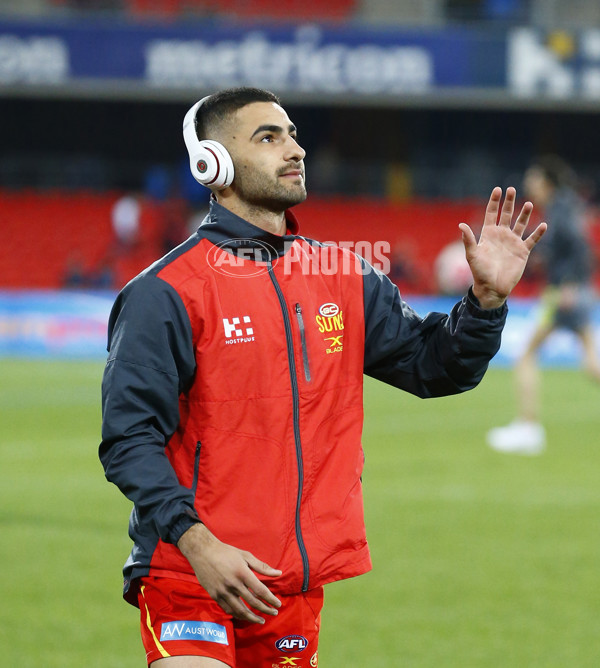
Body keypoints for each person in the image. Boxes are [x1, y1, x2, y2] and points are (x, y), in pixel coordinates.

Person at [100, 87, 547, 668]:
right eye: (268, 137)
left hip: (289, 586)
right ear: (212, 164)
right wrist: (198, 542)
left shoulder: (344, 277)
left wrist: (484, 303)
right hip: (191, 573)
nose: (295, 149)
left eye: (292, 134)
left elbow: (437, 367)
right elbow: (129, 440)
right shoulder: (163, 293)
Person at [487, 155, 600, 455]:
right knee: (591, 365)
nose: (528, 183)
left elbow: (578, 244)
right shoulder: (568, 204)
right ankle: (527, 428)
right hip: (576, 290)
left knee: (525, 355)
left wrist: (570, 284)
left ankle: (528, 429)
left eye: (533, 177)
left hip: (564, 293)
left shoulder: (561, 208)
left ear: (546, 181)